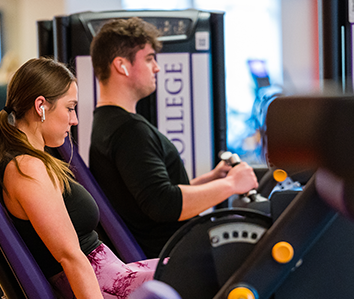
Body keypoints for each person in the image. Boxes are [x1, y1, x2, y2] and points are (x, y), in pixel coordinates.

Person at [0, 57, 158, 299]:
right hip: (103, 298)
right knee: (209, 274)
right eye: (70, 108)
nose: (74, 119)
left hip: (113, 283)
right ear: (41, 106)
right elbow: (69, 255)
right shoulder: (25, 168)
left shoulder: (34, 161)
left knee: (201, 261)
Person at [89, 17, 259, 258]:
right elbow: (164, 205)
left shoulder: (108, 122)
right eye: (148, 59)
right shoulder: (129, 131)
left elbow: (149, 197)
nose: (156, 67)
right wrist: (231, 185)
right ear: (121, 65)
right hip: (174, 260)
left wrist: (211, 180)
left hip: (172, 250)